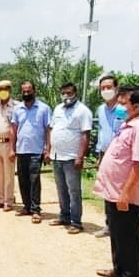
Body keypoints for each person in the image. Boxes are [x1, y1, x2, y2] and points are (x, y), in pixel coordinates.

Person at [93, 87, 139, 277]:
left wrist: (126, 193)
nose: (119, 107)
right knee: (117, 234)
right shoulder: (127, 126)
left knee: (128, 237)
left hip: (124, 194)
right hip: (113, 191)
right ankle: (119, 269)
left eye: (123, 103)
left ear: (136, 107)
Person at [49, 82, 92, 234]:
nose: (66, 96)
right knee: (61, 189)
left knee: (74, 190)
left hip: (72, 157)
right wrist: (48, 149)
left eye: (69, 93)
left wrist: (80, 156)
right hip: (56, 155)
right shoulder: (58, 109)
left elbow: (86, 135)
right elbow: (52, 128)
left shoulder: (83, 111)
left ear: (76, 93)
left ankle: (76, 222)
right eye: (64, 93)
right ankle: (64, 216)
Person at [10, 81, 51, 224]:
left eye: (29, 91)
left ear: (34, 91)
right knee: (23, 179)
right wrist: (12, 148)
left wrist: (47, 149)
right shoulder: (17, 109)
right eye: (24, 91)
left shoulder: (44, 108)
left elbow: (48, 129)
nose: (26, 94)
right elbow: (14, 130)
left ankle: (35, 210)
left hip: (36, 150)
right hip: (21, 150)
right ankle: (26, 206)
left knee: (34, 180)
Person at [93, 74, 125, 238]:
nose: (106, 91)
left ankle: (119, 226)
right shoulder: (100, 109)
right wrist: (100, 154)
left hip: (120, 156)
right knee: (107, 191)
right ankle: (109, 225)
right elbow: (101, 132)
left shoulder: (123, 109)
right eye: (103, 88)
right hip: (105, 153)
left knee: (119, 191)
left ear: (116, 89)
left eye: (109, 87)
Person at [0, 80, 18, 211]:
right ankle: (0, 198)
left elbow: (16, 127)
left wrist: (13, 147)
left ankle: (8, 200)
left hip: (8, 144)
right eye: (0, 90)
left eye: (5, 90)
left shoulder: (16, 106)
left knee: (8, 174)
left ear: (9, 91)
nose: (3, 92)